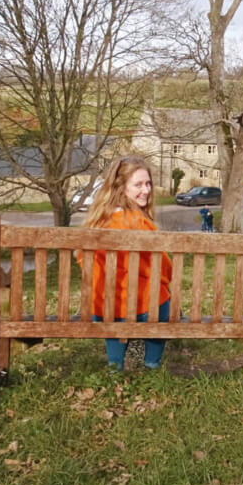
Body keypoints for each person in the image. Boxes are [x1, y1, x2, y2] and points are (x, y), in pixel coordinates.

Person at [79, 156, 173, 370]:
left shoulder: (96, 224)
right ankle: (151, 364)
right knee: (160, 297)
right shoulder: (141, 223)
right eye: (138, 184)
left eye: (148, 183)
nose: (146, 190)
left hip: (106, 309)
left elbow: (84, 263)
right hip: (145, 308)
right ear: (121, 188)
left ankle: (115, 367)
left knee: (110, 302)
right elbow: (165, 267)